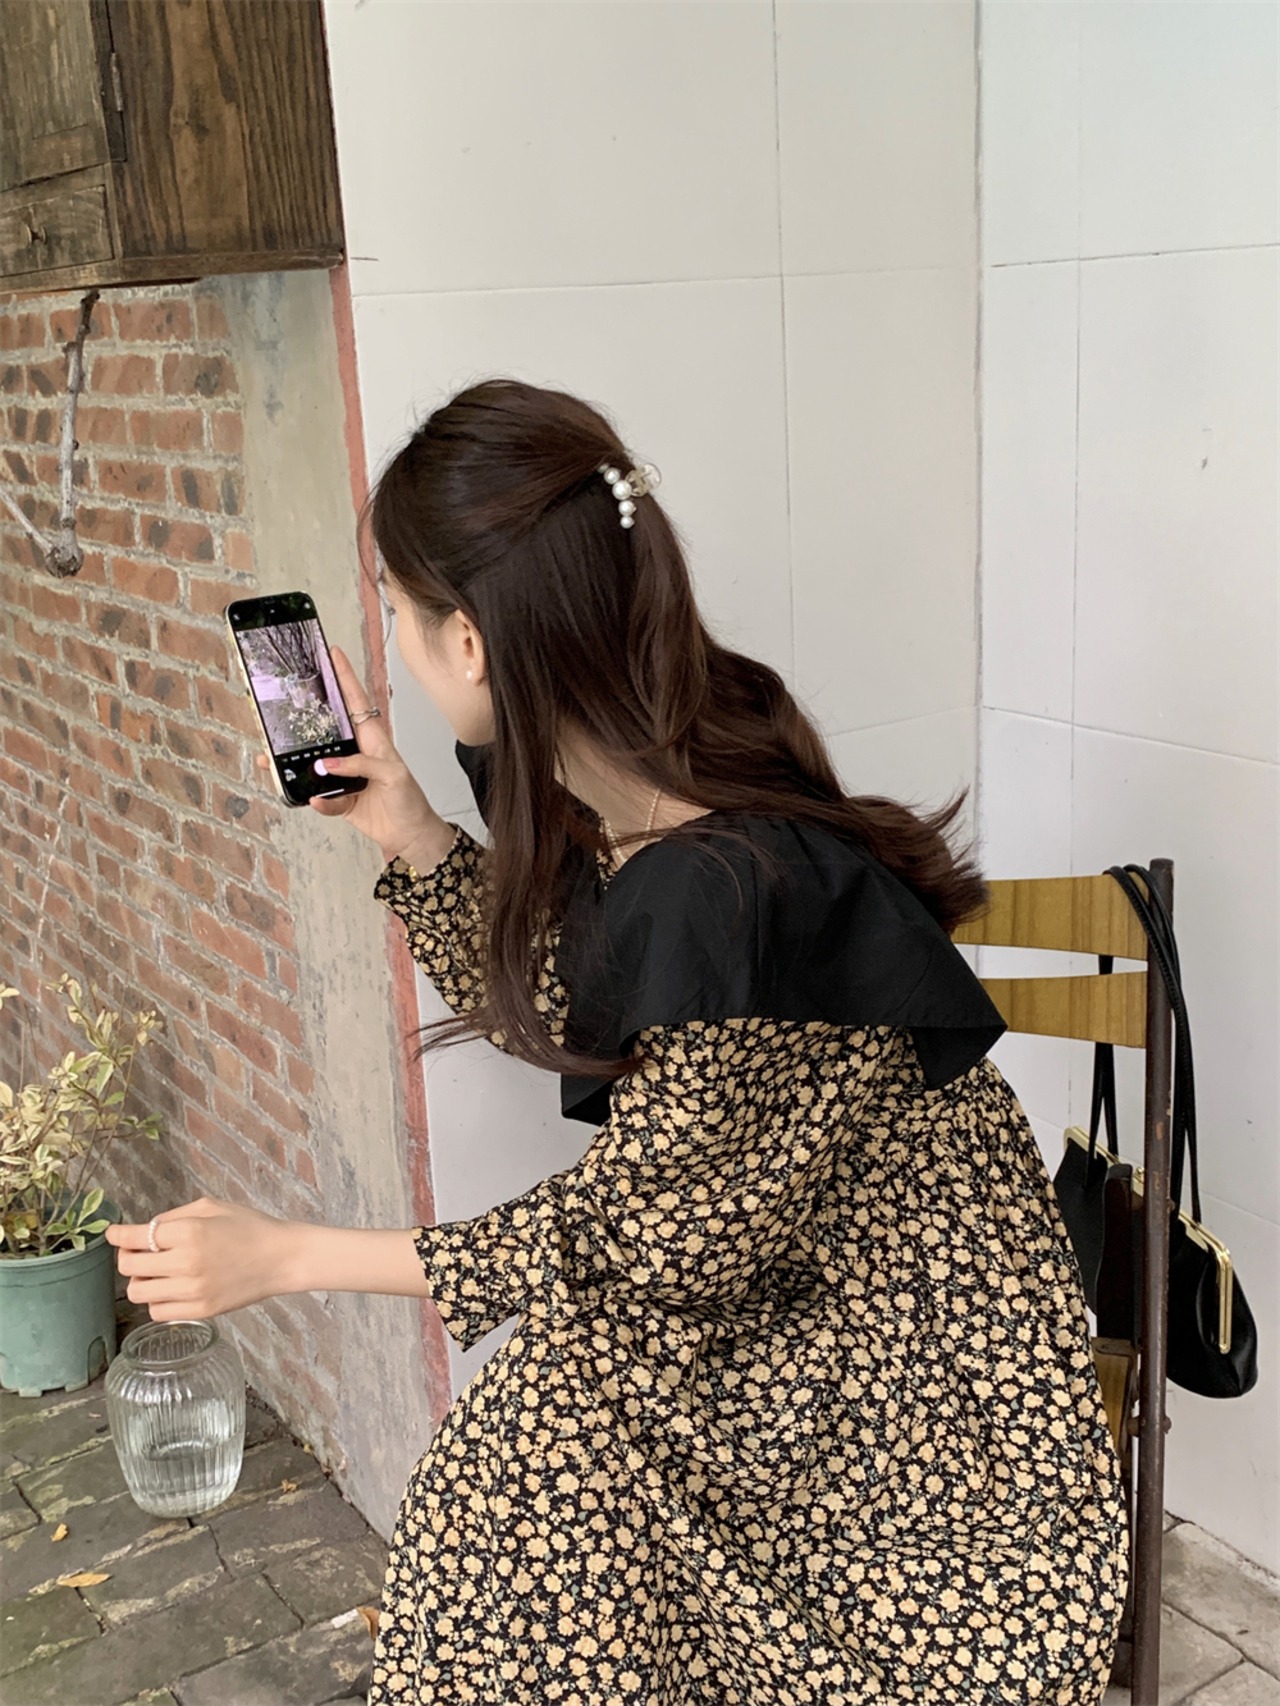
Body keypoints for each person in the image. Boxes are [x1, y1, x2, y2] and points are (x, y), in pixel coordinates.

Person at [107, 379, 1129, 1705]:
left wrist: (289, 1256)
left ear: (470, 642)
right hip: (776, 1282)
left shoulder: (731, 883)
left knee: (543, 1457)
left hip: (919, 1389)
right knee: (551, 1444)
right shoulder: (641, 759)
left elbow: (635, 1232)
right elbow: (585, 999)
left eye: (398, 611)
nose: (393, 645)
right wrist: (403, 824)